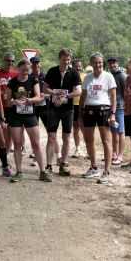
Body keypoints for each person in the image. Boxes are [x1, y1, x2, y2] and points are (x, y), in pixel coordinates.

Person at [6, 59, 52, 183]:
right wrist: (13, 102)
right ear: (18, 69)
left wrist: (29, 100)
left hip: (30, 115)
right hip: (15, 116)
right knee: (17, 144)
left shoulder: (33, 80)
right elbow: (7, 101)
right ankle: (19, 172)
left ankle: (42, 171)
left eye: (28, 70)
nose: (26, 72)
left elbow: (38, 97)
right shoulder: (12, 82)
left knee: (36, 144)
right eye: (23, 70)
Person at [80, 53, 117, 184]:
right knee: (89, 140)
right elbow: (83, 97)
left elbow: (113, 97)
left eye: (100, 62)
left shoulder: (108, 76)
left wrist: (113, 114)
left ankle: (106, 171)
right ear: (91, 63)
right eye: (95, 62)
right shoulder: (87, 78)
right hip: (89, 110)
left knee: (106, 141)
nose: (98, 65)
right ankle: (94, 167)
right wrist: (80, 113)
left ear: (103, 63)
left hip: (104, 110)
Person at [43, 48, 82, 176]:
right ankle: (48, 165)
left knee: (66, 137)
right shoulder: (52, 71)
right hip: (53, 109)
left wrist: (65, 96)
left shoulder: (74, 73)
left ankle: (63, 164)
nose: (66, 62)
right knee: (51, 137)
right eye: (64, 59)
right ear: (59, 59)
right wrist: (54, 92)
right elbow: (45, 88)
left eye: (69, 59)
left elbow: (78, 91)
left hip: (68, 110)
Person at [0, 53, 18, 153]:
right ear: (3, 60)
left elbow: (18, 90)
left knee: (9, 133)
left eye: (12, 61)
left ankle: (5, 158)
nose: (10, 62)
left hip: (10, 107)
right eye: (8, 60)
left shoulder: (16, 74)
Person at [29, 56, 51, 166]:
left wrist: (45, 95)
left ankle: (56, 155)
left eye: (37, 63)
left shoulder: (46, 76)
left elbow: (52, 92)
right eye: (33, 64)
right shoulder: (29, 77)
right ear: (30, 65)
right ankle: (35, 155)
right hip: (33, 108)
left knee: (50, 131)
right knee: (34, 133)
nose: (35, 65)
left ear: (40, 64)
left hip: (45, 107)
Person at [107, 58, 127, 166]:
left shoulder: (122, 75)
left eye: (114, 63)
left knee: (120, 131)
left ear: (117, 63)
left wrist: (125, 106)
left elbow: (125, 92)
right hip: (109, 107)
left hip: (120, 107)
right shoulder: (109, 75)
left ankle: (120, 155)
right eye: (110, 64)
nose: (112, 65)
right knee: (113, 131)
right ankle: (114, 153)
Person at [71, 58, 85, 158]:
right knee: (75, 128)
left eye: (80, 66)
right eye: (76, 67)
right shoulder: (70, 76)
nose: (78, 68)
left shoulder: (86, 77)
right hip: (73, 105)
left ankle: (88, 148)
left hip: (83, 105)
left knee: (85, 128)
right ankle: (77, 148)